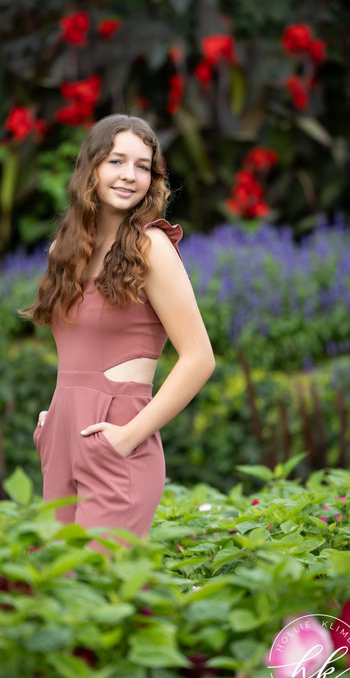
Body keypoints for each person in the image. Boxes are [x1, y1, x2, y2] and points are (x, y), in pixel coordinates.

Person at [22, 113, 214, 547]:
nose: (130, 176)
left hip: (117, 439)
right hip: (61, 439)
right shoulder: (64, 250)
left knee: (98, 589)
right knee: (57, 590)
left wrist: (128, 436)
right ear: (91, 167)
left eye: (142, 166)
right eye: (116, 161)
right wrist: (57, 417)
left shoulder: (152, 247)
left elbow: (200, 358)